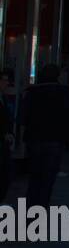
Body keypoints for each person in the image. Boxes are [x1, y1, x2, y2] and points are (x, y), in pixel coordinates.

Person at [19, 64, 69, 206]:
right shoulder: (65, 93)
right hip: (55, 141)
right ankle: (40, 211)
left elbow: (22, 117)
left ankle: (31, 209)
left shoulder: (32, 93)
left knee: (34, 179)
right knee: (47, 180)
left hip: (35, 140)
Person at [0, 69, 14, 203]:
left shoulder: (3, 97)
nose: (7, 84)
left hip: (4, 140)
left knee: (6, 173)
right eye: (4, 80)